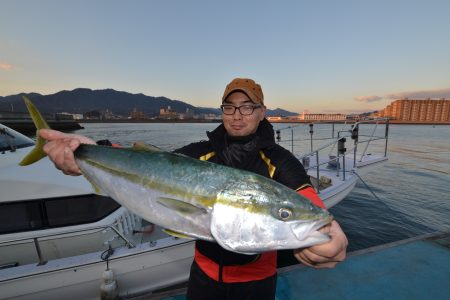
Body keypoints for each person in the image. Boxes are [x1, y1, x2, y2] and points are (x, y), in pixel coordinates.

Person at [39, 78, 348, 300]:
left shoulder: (281, 161)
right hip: (203, 279)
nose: (237, 115)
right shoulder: (201, 152)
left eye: (247, 107)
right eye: (229, 107)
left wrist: (333, 234)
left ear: (262, 111)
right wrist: (91, 149)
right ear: (222, 111)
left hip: (257, 284)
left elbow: (311, 205)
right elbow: (150, 161)